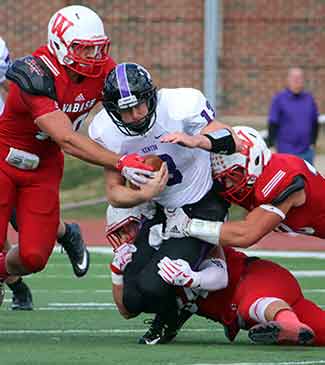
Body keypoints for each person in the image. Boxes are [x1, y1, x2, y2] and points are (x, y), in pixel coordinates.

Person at [0, 5, 154, 304]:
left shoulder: (104, 69)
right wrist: (120, 162)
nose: (94, 58)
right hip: (3, 158)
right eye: (84, 50)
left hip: (43, 167)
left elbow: (126, 105)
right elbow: (66, 138)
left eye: (98, 49)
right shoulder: (35, 72)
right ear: (59, 44)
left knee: (33, 257)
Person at [89, 62, 243, 343]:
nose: (135, 116)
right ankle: (181, 301)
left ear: (152, 97)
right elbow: (113, 192)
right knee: (133, 298)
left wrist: (197, 140)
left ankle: (181, 305)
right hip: (160, 211)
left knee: (153, 285)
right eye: (126, 110)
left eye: (140, 106)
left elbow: (231, 138)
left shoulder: (180, 106)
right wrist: (142, 196)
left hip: (201, 204)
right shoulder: (106, 131)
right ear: (113, 111)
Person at [106, 205, 325, 346]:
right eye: (117, 234)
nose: (124, 238)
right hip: (246, 313)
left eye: (126, 229)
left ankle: (289, 325)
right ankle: (292, 325)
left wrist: (192, 278)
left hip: (253, 279)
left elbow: (220, 277)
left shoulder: (179, 240)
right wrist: (117, 273)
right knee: (320, 332)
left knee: (251, 305)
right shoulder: (138, 264)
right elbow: (127, 311)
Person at [160, 126, 325, 249]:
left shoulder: (281, 179)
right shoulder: (258, 178)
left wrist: (187, 226)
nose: (227, 184)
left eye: (233, 175)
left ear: (254, 161)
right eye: (222, 178)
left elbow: (245, 235)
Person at [267, 67, 319, 165]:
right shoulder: (279, 99)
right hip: (285, 152)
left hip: (306, 152)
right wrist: (271, 145)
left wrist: (313, 143)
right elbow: (272, 123)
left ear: (303, 80)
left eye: (299, 78)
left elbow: (315, 122)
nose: (297, 80)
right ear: (288, 80)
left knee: (308, 179)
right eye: (294, 77)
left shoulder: (309, 99)